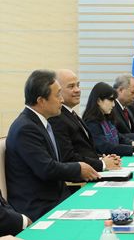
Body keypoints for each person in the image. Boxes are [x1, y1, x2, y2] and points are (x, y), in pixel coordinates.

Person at [6, 70, 99, 221]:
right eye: (58, 95)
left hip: (57, 198)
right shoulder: (26, 128)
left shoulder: (40, 123)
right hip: (40, 207)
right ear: (41, 100)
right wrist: (79, 168)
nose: (62, 100)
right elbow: (46, 169)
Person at [49, 69, 121, 172]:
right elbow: (68, 158)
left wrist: (103, 159)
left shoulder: (71, 114)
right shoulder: (57, 118)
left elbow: (87, 150)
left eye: (78, 85)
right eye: (71, 86)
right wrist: (102, 163)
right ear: (58, 90)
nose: (77, 90)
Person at [83, 82, 134, 156]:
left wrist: (132, 143)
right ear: (99, 101)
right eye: (111, 100)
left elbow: (118, 136)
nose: (113, 104)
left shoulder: (106, 117)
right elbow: (105, 147)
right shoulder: (91, 122)